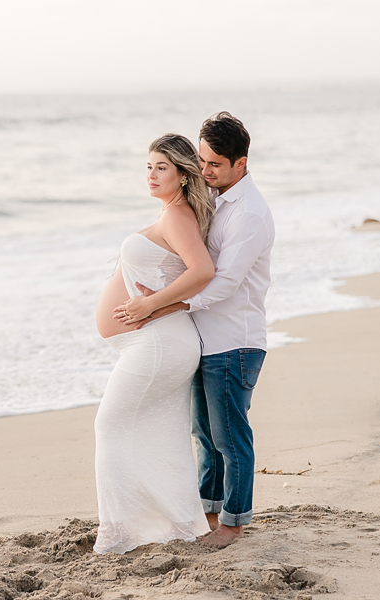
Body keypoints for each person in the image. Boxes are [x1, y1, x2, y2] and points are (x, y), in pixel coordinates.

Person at [117, 112, 275, 549]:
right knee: (205, 435)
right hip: (205, 339)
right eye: (201, 162)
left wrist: (163, 304)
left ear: (240, 164)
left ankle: (233, 523)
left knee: (230, 437)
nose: (204, 172)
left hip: (235, 340)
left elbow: (223, 282)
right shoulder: (216, 199)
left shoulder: (250, 216)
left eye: (214, 165)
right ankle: (208, 511)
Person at [92, 133, 215, 554]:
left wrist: (150, 305)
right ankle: (179, 525)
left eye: (161, 167)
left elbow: (203, 271)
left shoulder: (177, 216)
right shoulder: (172, 214)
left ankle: (119, 533)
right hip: (159, 344)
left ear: (183, 175)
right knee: (159, 435)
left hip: (158, 344)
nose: (151, 174)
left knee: (109, 425)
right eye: (148, 166)